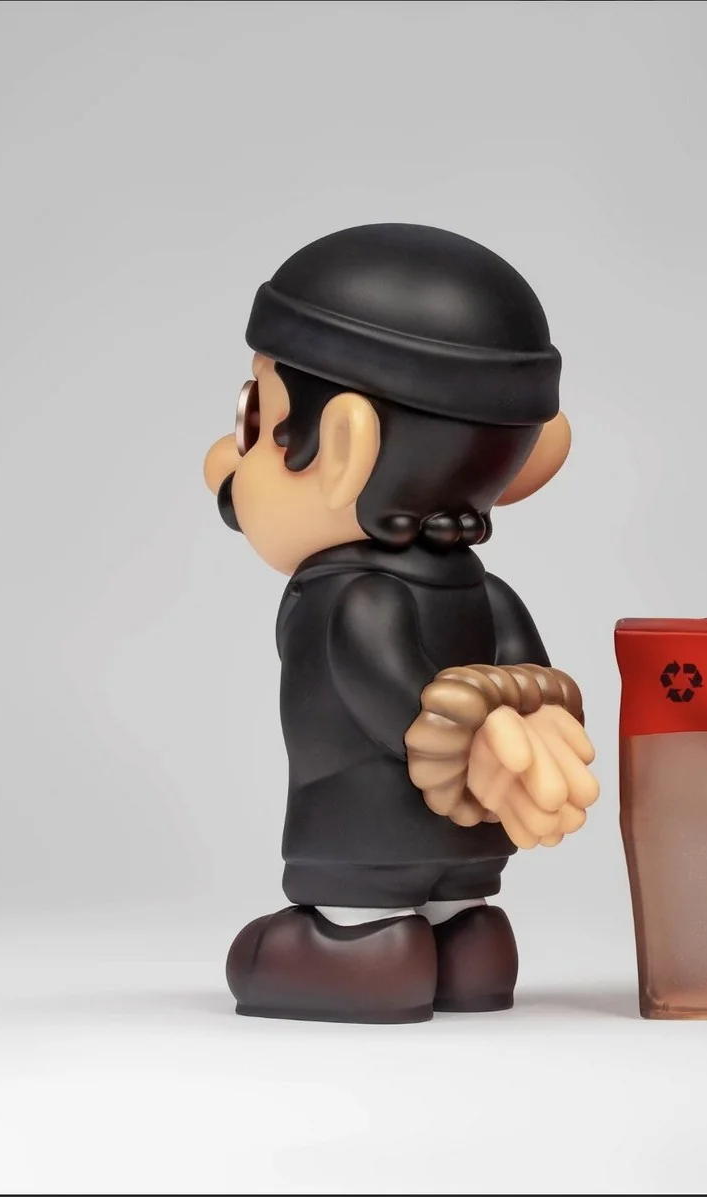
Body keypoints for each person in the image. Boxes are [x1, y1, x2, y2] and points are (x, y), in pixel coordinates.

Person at [202, 223, 598, 1024]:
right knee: (465, 914)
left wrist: (465, 728)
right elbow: (530, 678)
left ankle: (366, 946)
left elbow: (392, 698)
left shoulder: (348, 597)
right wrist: (508, 735)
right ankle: (466, 940)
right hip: (473, 842)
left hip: (362, 841)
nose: (225, 459)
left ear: (343, 445)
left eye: (256, 422)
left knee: (289, 944)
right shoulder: (484, 588)